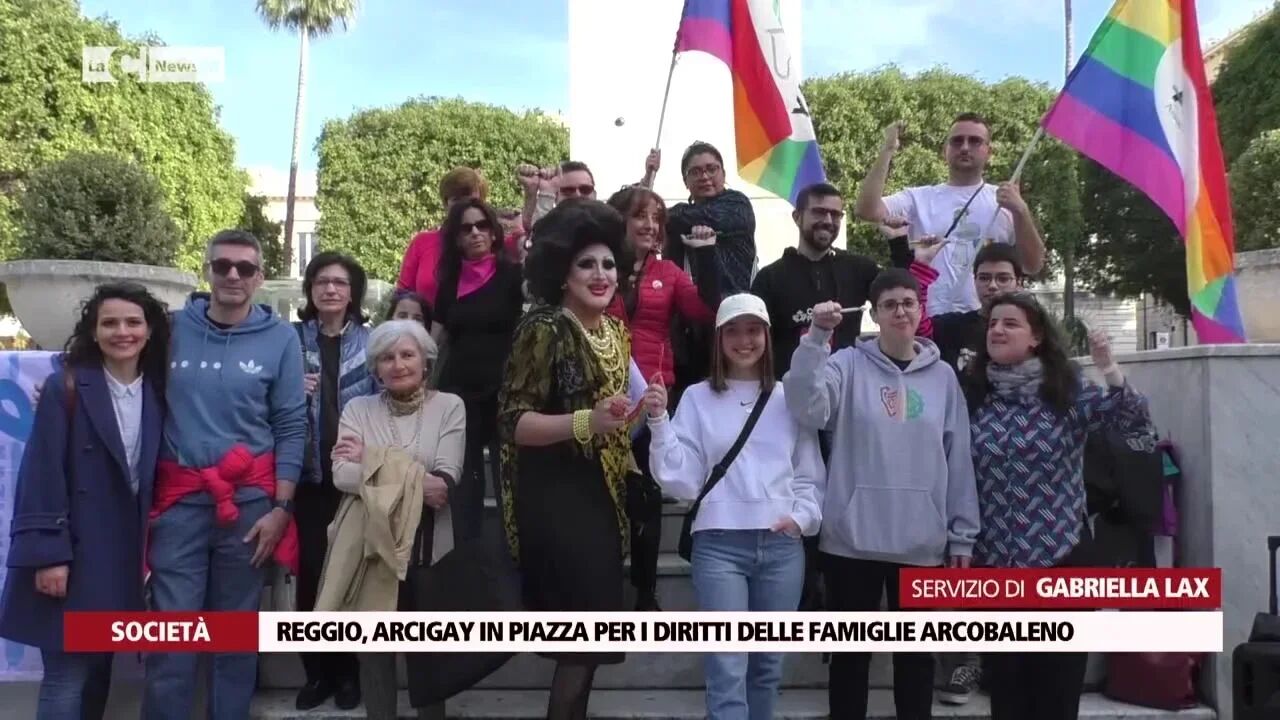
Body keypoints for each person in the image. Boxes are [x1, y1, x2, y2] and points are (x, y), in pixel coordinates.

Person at [784, 269, 979, 720]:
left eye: (908, 302)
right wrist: (816, 337)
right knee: (851, 661)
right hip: (852, 541)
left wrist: (962, 534)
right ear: (874, 314)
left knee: (915, 661)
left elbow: (959, 458)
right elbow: (805, 407)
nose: (901, 311)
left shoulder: (944, 377)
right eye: (889, 304)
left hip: (922, 543)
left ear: (921, 309)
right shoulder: (846, 365)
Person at [963, 292, 1152, 720]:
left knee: (1057, 697)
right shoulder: (973, 394)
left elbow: (1133, 420)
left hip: (1062, 560)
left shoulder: (1065, 389)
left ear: (1036, 338)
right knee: (1007, 699)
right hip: (996, 567)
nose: (997, 330)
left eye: (1010, 323)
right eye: (993, 323)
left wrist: (1108, 367)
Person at [143, 229, 307, 720]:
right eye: (222, 266)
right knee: (172, 635)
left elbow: (291, 424)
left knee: (235, 637)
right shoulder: (170, 328)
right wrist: (63, 383)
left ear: (259, 277)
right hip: (179, 502)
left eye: (245, 268)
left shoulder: (282, 338)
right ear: (207, 270)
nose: (233, 275)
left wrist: (281, 509)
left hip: (250, 506)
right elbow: (116, 362)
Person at [643, 293, 824, 720]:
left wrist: (800, 518)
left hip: (781, 545)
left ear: (767, 335)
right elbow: (682, 477)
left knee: (766, 665)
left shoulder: (787, 396)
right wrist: (657, 422)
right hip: (720, 544)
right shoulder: (696, 398)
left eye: (754, 330)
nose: (745, 341)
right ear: (719, 338)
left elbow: (807, 469)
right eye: (735, 331)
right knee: (727, 664)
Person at [498, 198, 642, 720]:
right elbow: (513, 423)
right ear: (562, 272)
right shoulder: (543, 328)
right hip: (556, 501)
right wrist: (587, 422)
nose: (601, 274)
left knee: (593, 645)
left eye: (608, 264)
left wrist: (642, 411)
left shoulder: (616, 333)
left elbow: (614, 419)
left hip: (603, 498)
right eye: (587, 264)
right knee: (580, 647)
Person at [0, 283, 169, 720]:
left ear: (149, 331)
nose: (122, 332)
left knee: (98, 674)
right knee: (66, 677)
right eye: (109, 323)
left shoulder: (160, 391)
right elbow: (41, 476)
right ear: (93, 332)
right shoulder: (66, 387)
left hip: (121, 564)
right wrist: (49, 555)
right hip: (72, 558)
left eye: (133, 322)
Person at [324, 320, 465, 720]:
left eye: (407, 355)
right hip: (370, 549)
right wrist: (413, 475)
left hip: (428, 549)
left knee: (428, 657)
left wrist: (370, 459)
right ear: (375, 368)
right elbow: (341, 475)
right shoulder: (358, 409)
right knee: (373, 657)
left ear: (425, 361)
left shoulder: (450, 406)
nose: (398, 364)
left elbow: (444, 484)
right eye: (387, 357)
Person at [853, 113, 1045, 367]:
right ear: (945, 150)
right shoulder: (919, 198)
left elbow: (1033, 265)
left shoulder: (1005, 201)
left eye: (975, 141)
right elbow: (866, 209)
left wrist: (1021, 210)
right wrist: (887, 151)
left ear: (989, 151)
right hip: (927, 328)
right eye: (957, 141)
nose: (965, 147)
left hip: (986, 329)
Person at [605, 185, 718, 611]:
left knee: (646, 496)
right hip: (600, 395)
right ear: (620, 221)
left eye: (657, 219)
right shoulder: (598, 267)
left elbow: (705, 312)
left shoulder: (669, 272)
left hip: (650, 397)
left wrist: (705, 256)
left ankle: (644, 592)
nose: (651, 225)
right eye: (640, 216)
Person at [933, 241, 1023, 707]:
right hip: (960, 462)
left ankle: (1007, 661)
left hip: (1018, 474)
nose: (992, 286)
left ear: (1018, 283)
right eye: (985, 277)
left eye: (1002, 278)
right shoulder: (953, 328)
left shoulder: (1032, 334)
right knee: (959, 565)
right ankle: (960, 664)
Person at [291, 252, 375, 711]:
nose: (330, 290)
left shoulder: (370, 340)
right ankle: (316, 673)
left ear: (352, 292)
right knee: (311, 579)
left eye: (340, 283)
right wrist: (287, 387)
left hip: (351, 479)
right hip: (306, 476)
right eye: (321, 281)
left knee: (348, 579)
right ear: (310, 289)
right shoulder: (291, 339)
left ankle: (348, 675)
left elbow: (384, 400)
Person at [432, 199, 525, 540]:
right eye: (466, 228)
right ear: (455, 237)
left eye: (482, 225)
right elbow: (434, 340)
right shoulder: (449, 282)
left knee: (509, 487)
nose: (475, 233)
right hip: (459, 394)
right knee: (465, 485)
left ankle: (512, 560)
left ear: (493, 231)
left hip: (506, 392)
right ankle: (465, 563)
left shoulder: (514, 276)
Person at [397, 167, 520, 308]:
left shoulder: (495, 245)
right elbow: (403, 292)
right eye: (457, 200)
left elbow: (528, 244)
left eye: (471, 200)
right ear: (445, 204)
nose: (464, 208)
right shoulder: (422, 242)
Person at [517, 160, 598, 232]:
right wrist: (533, 194)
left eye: (585, 189)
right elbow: (537, 238)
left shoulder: (608, 225)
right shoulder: (555, 232)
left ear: (594, 194)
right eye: (568, 190)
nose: (578, 194)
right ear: (555, 197)